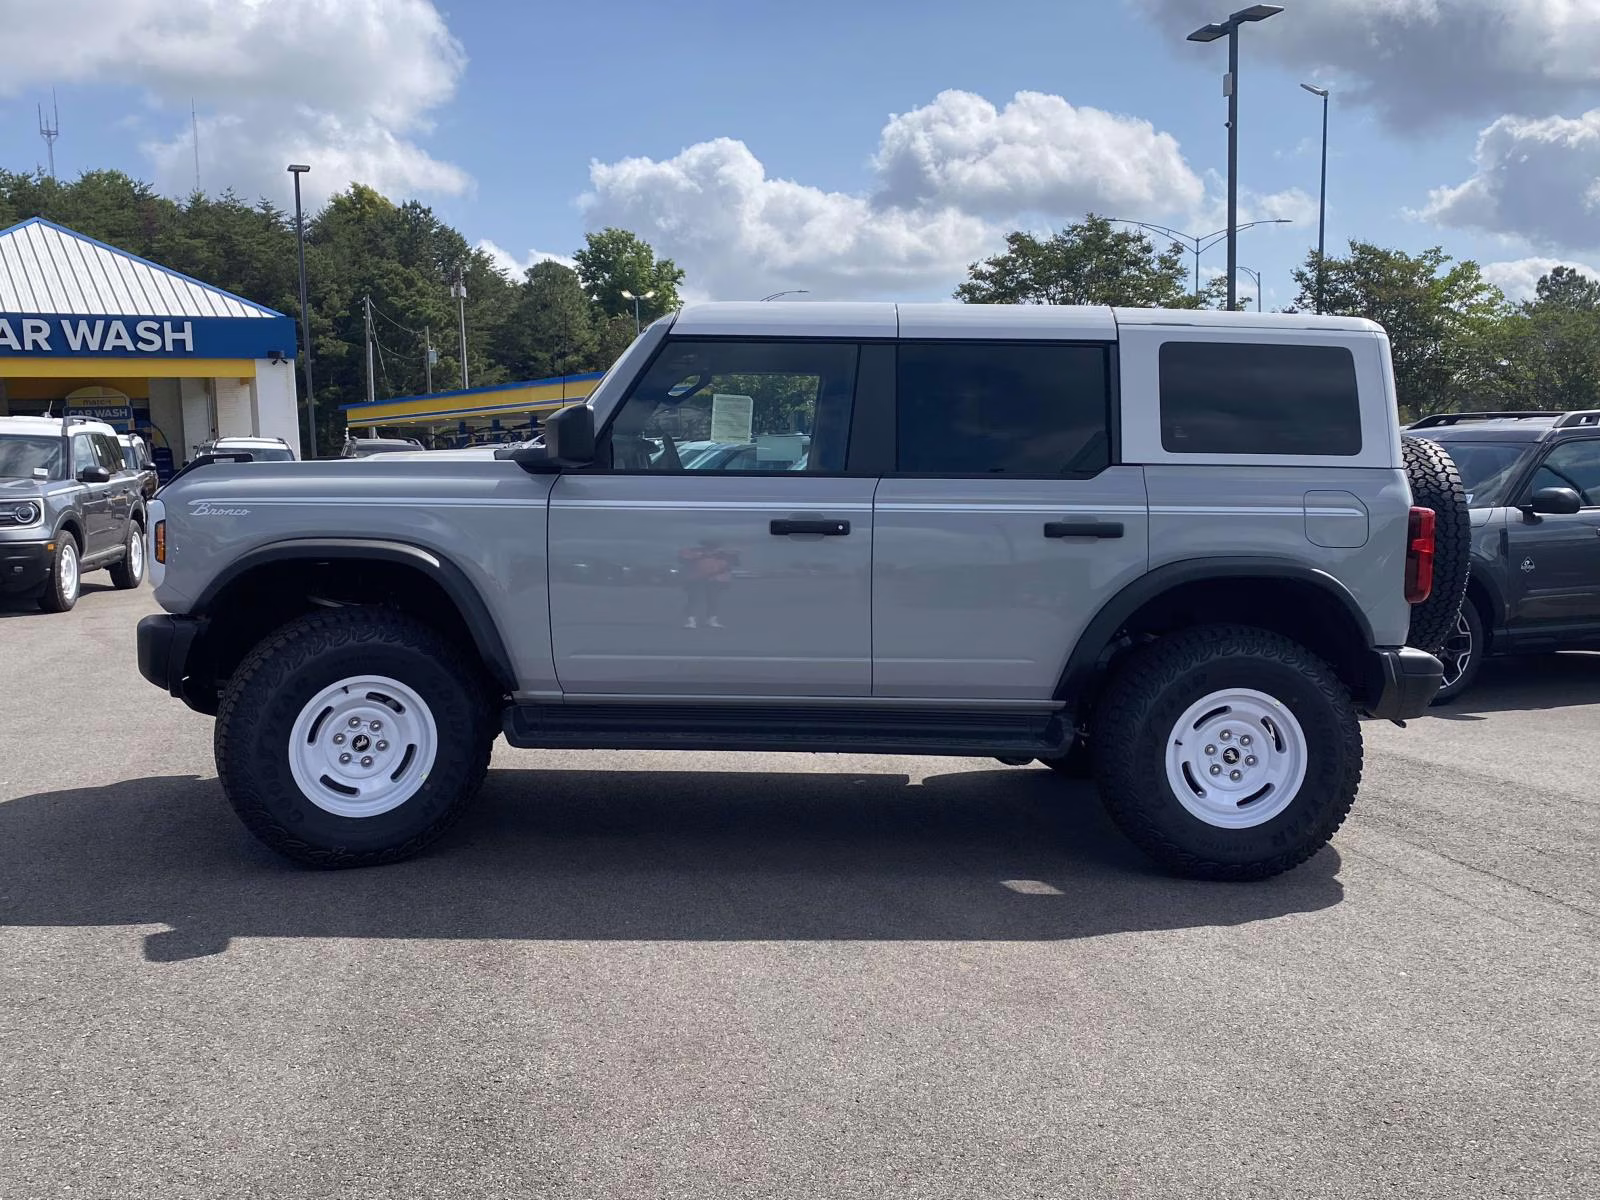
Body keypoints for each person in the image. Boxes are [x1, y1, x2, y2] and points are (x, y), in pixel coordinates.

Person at [678, 538, 737, 628]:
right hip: (696, 579)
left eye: (714, 546)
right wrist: (701, 555)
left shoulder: (724, 554)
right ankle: (690, 621)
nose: (712, 548)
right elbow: (682, 559)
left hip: (716, 580)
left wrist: (731, 555)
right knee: (694, 599)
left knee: (713, 600)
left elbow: (733, 563)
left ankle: (712, 620)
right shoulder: (694, 552)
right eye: (709, 545)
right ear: (704, 545)